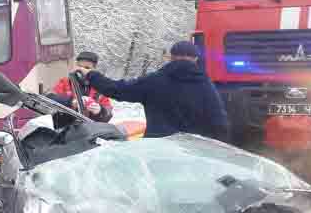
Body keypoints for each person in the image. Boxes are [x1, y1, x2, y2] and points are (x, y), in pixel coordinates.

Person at [83, 41, 230, 141]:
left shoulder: (155, 81)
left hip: (159, 150)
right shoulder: (205, 84)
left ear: (171, 57)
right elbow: (220, 122)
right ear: (196, 59)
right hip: (194, 153)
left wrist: (90, 75)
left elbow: (117, 89)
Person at [50, 51, 114, 123]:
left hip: (89, 130)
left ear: (94, 70)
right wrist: (71, 102)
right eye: (79, 66)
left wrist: (100, 111)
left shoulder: (100, 88)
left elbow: (108, 113)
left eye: (87, 67)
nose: (81, 69)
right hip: (65, 128)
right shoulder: (65, 82)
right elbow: (50, 98)